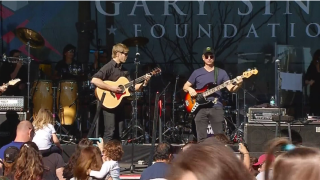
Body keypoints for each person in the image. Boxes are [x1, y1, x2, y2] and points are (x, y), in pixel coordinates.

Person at [91, 43, 150, 142]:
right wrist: (111, 88)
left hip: (119, 104)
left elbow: (132, 88)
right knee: (109, 132)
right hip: (108, 103)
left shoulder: (124, 71)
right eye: (125, 54)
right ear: (117, 54)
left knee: (119, 133)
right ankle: (105, 156)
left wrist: (144, 82)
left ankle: (115, 155)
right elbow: (94, 80)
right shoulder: (109, 66)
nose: (126, 56)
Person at [182, 47, 243, 142]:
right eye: (207, 56)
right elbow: (185, 87)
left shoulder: (221, 73)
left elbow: (231, 88)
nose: (209, 58)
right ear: (203, 58)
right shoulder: (197, 72)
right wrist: (190, 89)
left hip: (216, 107)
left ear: (214, 57)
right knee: (201, 138)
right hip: (200, 108)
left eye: (211, 56)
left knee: (220, 137)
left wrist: (239, 83)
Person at [305, 49, 320, 115]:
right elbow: (305, 80)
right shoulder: (312, 66)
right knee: (315, 110)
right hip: (315, 94)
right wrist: (309, 82)